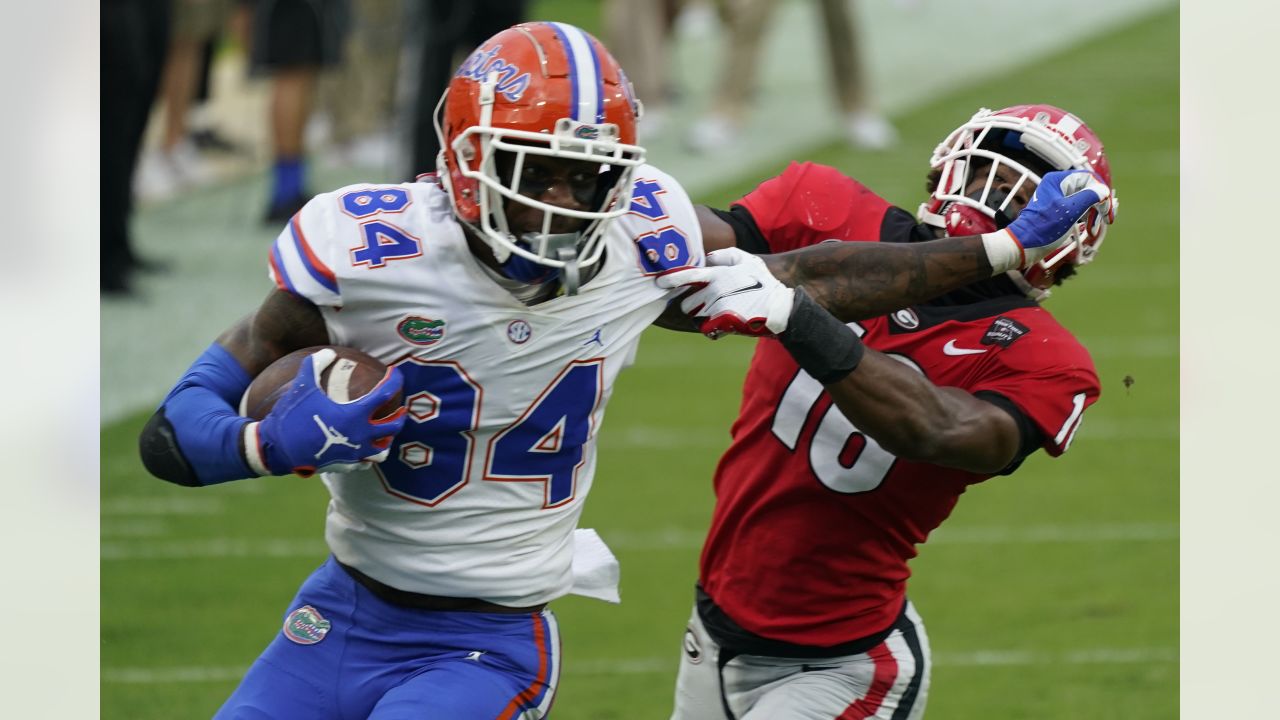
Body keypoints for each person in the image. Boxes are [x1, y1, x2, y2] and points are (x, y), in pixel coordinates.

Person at [137, 18, 1105, 713]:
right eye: (537, 171)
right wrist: (264, 444)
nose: (566, 204)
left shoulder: (634, 245)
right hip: (344, 603)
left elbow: (810, 282)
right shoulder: (365, 248)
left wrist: (992, 255)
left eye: (589, 177)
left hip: (489, 634)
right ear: (467, 157)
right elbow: (174, 428)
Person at [656, 104, 1117, 719]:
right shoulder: (822, 202)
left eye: (1025, 190)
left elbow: (938, 430)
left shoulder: (1049, 360)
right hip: (714, 632)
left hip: (844, 667)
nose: (996, 194)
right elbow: (675, 265)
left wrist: (800, 317)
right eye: (990, 175)